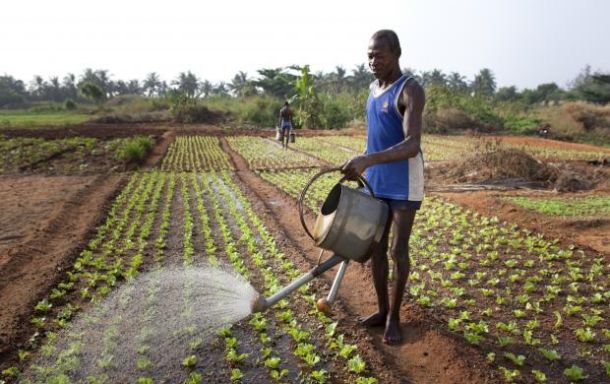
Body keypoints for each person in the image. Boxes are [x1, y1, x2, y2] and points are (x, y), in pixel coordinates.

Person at [341, 29, 425, 345]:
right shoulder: (373, 90)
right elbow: (375, 135)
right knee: (376, 248)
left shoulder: (410, 90)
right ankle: (381, 309)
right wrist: (361, 165)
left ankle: (394, 317)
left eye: (379, 55)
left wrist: (368, 158)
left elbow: (412, 144)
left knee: (397, 250)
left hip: (403, 181)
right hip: (376, 179)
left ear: (397, 53)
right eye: (369, 56)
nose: (373, 61)